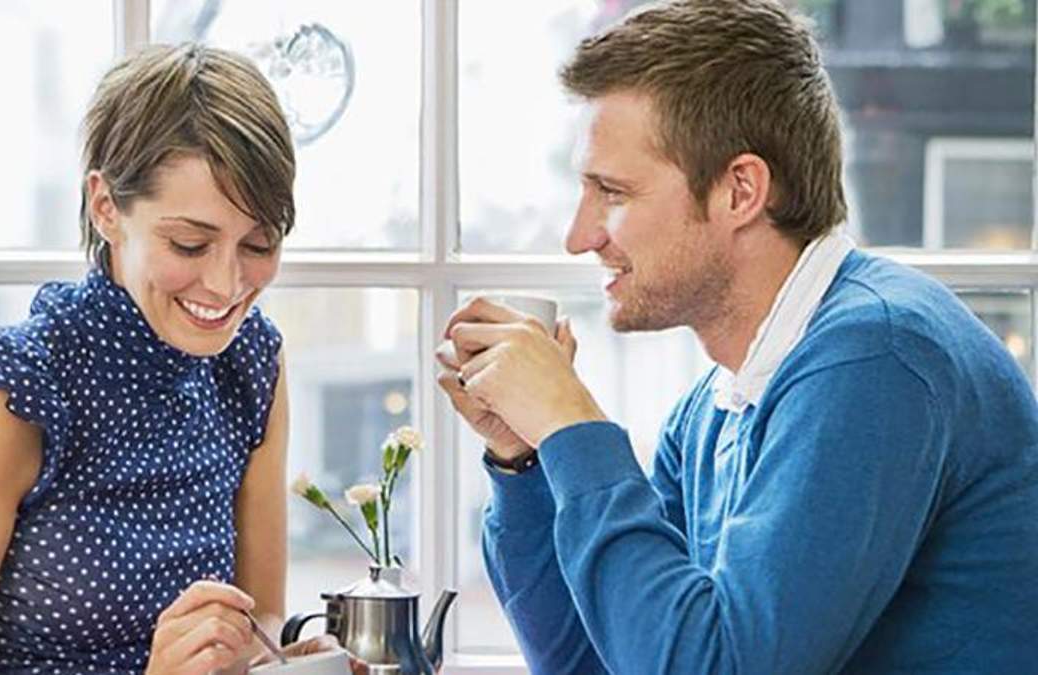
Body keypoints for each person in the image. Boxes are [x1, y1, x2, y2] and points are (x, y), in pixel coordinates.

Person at [436, 1, 1038, 673]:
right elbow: (597, 661)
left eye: (613, 192)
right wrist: (524, 458)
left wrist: (572, 425)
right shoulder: (712, 410)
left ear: (740, 191)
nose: (579, 237)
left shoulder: (878, 357)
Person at [0, 43, 343, 674]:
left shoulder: (249, 362)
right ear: (105, 208)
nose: (227, 285)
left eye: (259, 244)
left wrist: (288, 661)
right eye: (190, 243)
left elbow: (255, 628)